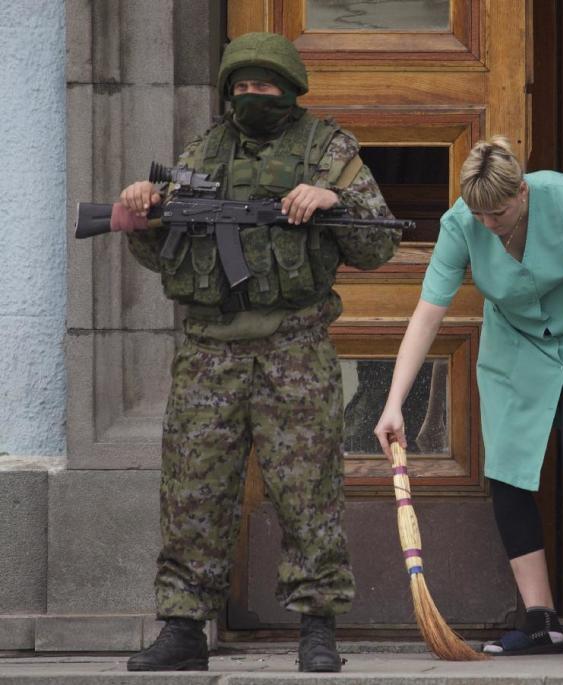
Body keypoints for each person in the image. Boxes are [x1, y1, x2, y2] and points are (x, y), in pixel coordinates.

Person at [117, 32, 400, 672]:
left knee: (308, 492)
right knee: (193, 488)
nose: (252, 96)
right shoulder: (203, 151)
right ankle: (184, 627)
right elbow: (163, 255)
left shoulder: (328, 150)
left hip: (293, 346)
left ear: (291, 89)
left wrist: (333, 200)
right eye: (241, 86)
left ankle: (318, 626)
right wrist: (143, 214)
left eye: (264, 85)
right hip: (207, 351)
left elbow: (378, 245)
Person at [373, 137, 563, 656]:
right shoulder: (462, 224)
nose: (490, 227)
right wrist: (394, 403)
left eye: (499, 214)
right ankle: (541, 619)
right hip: (514, 345)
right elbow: (427, 314)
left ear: (522, 193)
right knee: (509, 469)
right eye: (480, 216)